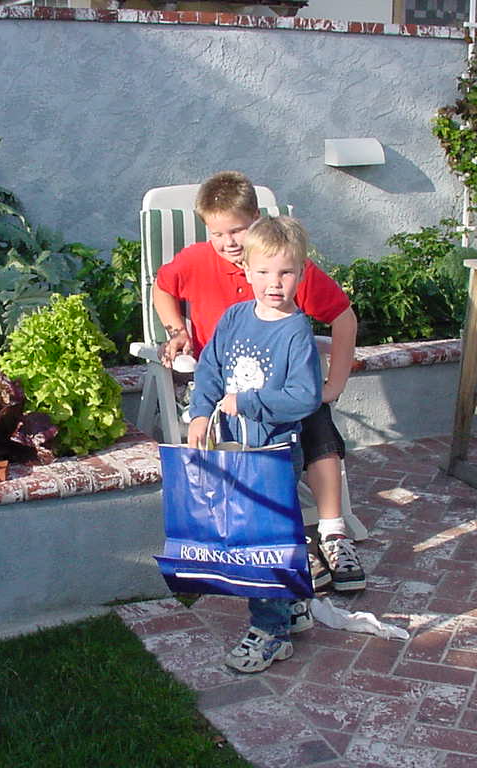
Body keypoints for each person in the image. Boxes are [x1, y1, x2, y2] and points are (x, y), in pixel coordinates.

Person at [153, 170, 366, 594]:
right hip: (227, 394)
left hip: (285, 391)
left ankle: (332, 531)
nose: (230, 242)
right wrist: (177, 329)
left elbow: (343, 315)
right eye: (219, 233)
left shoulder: (280, 267)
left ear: (256, 220)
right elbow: (163, 287)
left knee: (318, 423)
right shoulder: (198, 262)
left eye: (239, 230)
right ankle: (285, 542)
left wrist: (334, 383)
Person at [186, 215, 321, 673]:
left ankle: (270, 632)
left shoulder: (295, 332)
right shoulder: (235, 318)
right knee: (272, 535)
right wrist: (200, 412)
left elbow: (305, 397)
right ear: (246, 271)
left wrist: (248, 401)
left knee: (258, 542)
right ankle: (293, 605)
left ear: (301, 273)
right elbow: (209, 369)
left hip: (275, 453)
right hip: (235, 451)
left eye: (285, 272)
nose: (274, 283)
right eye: (264, 272)